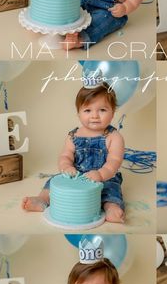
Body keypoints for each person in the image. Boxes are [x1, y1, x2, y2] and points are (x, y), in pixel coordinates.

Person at [22, 81, 126, 224]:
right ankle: (43, 199)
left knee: (111, 192)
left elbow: (114, 161)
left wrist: (101, 174)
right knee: (53, 182)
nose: (95, 116)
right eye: (88, 110)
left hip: (104, 177)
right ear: (78, 114)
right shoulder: (73, 136)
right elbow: (65, 155)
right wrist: (66, 167)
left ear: (113, 112)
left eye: (102, 110)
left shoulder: (114, 137)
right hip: (75, 176)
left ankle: (111, 209)